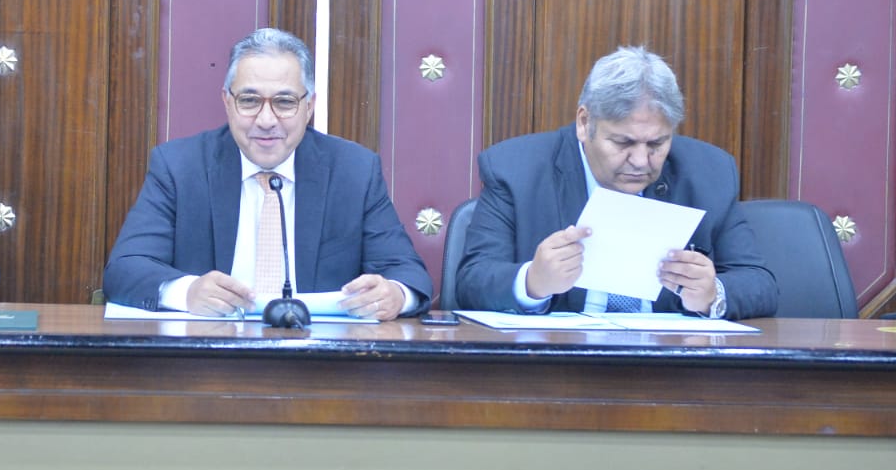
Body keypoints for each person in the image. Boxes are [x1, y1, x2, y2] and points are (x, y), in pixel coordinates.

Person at [103, 27, 432, 320]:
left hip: (321, 359)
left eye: (284, 102)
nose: (266, 120)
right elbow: (124, 270)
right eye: (249, 101)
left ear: (309, 106)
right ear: (227, 102)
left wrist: (394, 295)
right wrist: (187, 292)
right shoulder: (180, 167)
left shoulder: (354, 171)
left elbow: (408, 274)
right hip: (208, 356)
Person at [454, 45, 776, 320]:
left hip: (671, 364)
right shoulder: (515, 170)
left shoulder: (709, 173)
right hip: (557, 364)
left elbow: (760, 283)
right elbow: (472, 281)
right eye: (623, 143)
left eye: (657, 144)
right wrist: (532, 282)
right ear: (585, 123)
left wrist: (712, 294)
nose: (641, 161)